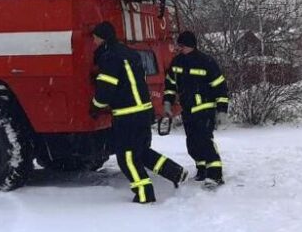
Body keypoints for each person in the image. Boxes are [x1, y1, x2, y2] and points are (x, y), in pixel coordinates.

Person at [89, 21, 187, 204]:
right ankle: (176, 173)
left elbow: (106, 90)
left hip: (127, 116)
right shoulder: (130, 53)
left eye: (95, 38)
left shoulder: (109, 57)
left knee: (126, 158)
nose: (93, 42)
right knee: (141, 152)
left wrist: (95, 106)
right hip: (143, 112)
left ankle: (144, 194)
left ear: (102, 38)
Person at [162, 30, 229, 187]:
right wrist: (167, 102)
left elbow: (220, 87)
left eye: (182, 45)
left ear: (189, 45)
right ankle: (202, 169)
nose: (179, 48)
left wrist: (222, 110)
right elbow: (170, 85)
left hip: (205, 109)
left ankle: (215, 175)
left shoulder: (206, 62)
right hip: (188, 109)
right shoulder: (177, 62)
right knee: (192, 143)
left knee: (205, 141)